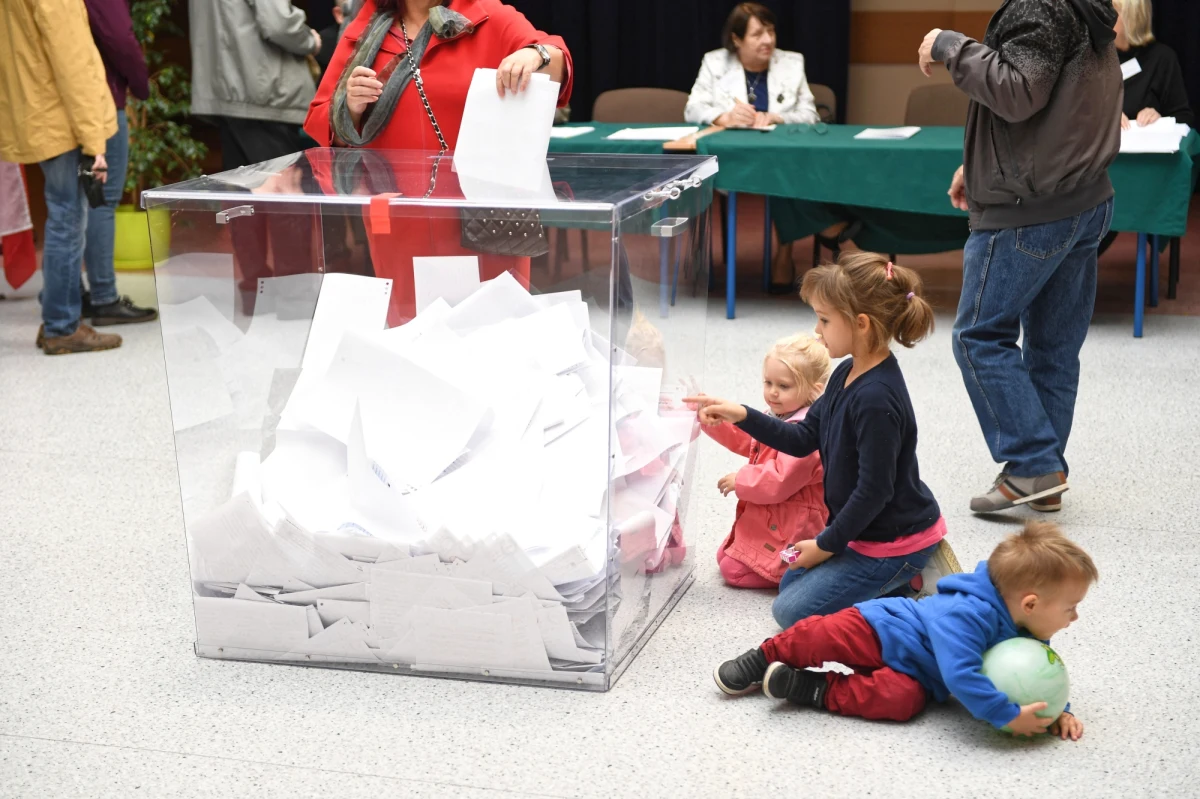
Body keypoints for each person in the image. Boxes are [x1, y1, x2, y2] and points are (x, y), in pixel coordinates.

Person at [918, 0, 1122, 514]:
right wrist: (980, 167)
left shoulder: (1039, 5)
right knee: (1054, 347)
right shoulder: (1083, 8)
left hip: (1029, 210)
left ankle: (1033, 463)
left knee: (979, 337)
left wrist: (950, 44)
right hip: (1084, 198)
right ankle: (1044, 474)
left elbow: (1015, 93)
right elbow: (1057, 106)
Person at [686, 253, 960, 629]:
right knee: (791, 580)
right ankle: (889, 584)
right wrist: (743, 414)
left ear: (860, 324)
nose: (817, 330)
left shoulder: (876, 397)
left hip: (894, 543)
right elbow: (801, 438)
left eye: (825, 320)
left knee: (789, 611)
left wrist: (827, 544)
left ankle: (912, 585)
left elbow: (874, 491)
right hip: (862, 534)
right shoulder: (847, 370)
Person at [304, 0, 573, 324]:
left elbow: (559, 63)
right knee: (412, 333)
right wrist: (352, 106)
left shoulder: (487, 14)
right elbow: (321, 119)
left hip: (486, 213)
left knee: (495, 334)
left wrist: (535, 55)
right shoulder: (365, 28)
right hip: (399, 218)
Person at [713, 521, 1095, 741]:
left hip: (919, 676)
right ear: (1029, 603)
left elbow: (1035, 674)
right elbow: (960, 673)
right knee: (821, 635)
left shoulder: (1028, 628)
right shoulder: (967, 613)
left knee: (900, 703)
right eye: (1070, 608)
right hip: (883, 628)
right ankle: (763, 657)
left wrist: (1057, 709)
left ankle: (813, 689)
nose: (1074, 618)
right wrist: (1005, 714)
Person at [684, 3, 855, 293]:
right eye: (757, 34)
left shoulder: (791, 62)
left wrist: (778, 117)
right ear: (737, 40)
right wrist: (724, 116)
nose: (768, 40)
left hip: (782, 158)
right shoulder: (715, 62)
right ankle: (818, 229)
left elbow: (810, 114)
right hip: (733, 159)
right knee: (776, 172)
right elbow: (692, 108)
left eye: (771, 31)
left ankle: (784, 252)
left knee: (781, 171)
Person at [0, 0, 123, 355]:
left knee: (61, 217)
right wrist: (94, 142)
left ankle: (57, 319)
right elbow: (73, 66)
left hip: (38, 116)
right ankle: (62, 325)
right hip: (61, 121)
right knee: (68, 220)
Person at [189, 0, 323, 312]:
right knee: (286, 193)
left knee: (242, 196)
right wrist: (310, 40)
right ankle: (294, 297)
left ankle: (254, 291)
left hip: (226, 91)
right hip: (265, 90)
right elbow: (278, 22)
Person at [701, 334, 830, 589]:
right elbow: (747, 439)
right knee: (724, 555)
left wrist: (741, 480)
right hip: (777, 515)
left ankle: (803, 568)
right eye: (768, 382)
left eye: (784, 386)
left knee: (731, 570)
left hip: (797, 524)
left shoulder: (806, 432)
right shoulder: (780, 414)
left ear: (814, 389)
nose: (772, 391)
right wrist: (717, 421)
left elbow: (780, 480)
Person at [80, 0, 158, 327]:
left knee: (77, 203)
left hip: (76, 99)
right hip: (102, 100)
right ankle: (103, 297)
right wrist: (141, 84)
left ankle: (72, 293)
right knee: (102, 200)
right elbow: (119, 37)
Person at [1097, 0, 1193, 255]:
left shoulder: (1163, 58)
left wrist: (1159, 116)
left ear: (1132, 17)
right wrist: (1105, 115)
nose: (1103, 17)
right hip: (1102, 165)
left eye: (1112, 12)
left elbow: (1184, 116)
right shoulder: (1094, 57)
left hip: (1141, 170)